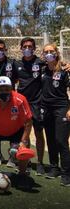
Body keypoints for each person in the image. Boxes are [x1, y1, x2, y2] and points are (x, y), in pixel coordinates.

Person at [15, 37, 47, 174]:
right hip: (22, 103)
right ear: (21, 48)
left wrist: (65, 65)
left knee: (39, 133)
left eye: (30, 46)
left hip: (37, 103)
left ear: (34, 48)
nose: (27, 49)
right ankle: (25, 161)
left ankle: (39, 162)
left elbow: (55, 65)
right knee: (24, 134)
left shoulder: (41, 63)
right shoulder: (16, 64)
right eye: (25, 46)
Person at [40, 44, 70, 186]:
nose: (49, 54)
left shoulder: (65, 70)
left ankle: (66, 173)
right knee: (51, 139)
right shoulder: (42, 69)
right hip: (46, 109)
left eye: (51, 51)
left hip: (62, 108)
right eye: (46, 52)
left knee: (61, 141)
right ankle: (54, 167)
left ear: (56, 53)